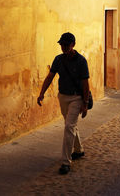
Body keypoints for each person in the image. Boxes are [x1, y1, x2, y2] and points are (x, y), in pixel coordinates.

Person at [37, 32, 90, 175]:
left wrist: (84, 103)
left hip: (76, 98)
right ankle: (79, 150)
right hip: (62, 96)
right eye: (62, 45)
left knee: (68, 126)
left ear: (73, 45)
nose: (63, 47)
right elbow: (50, 77)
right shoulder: (58, 60)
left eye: (66, 45)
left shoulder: (81, 61)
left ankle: (66, 162)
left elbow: (85, 84)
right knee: (70, 124)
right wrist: (42, 93)